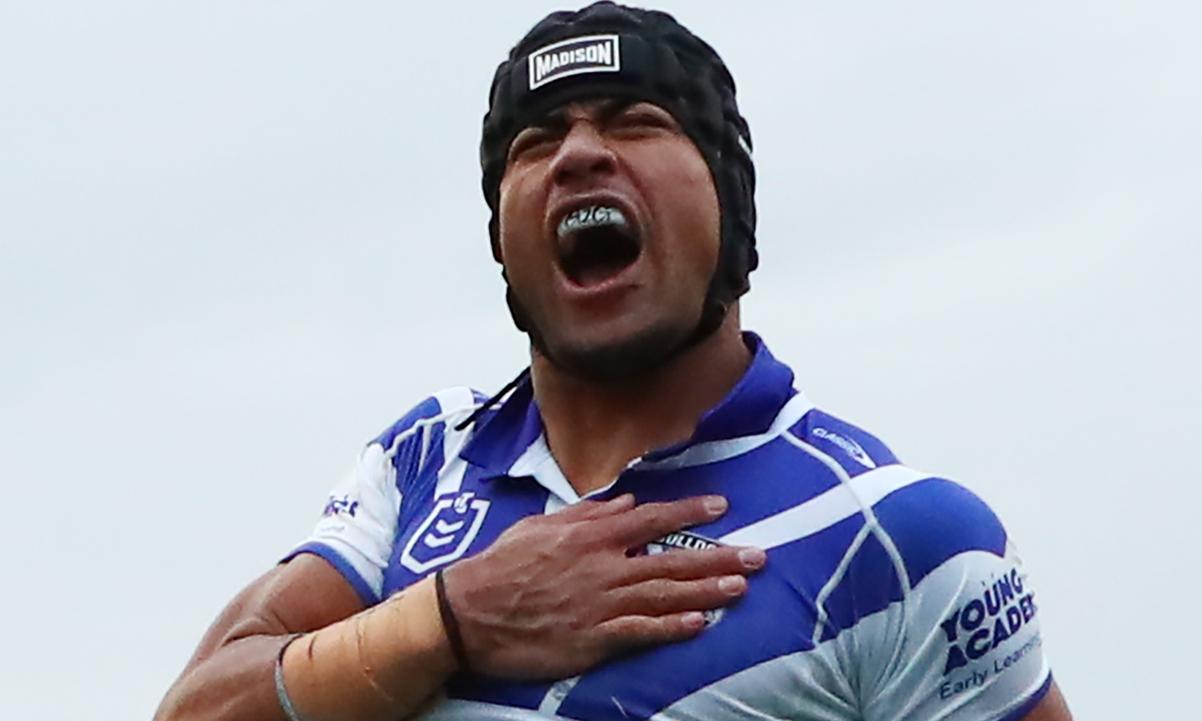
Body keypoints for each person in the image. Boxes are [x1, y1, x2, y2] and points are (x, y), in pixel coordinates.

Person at [154, 3, 1073, 720]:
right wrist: (451, 619)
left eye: (635, 121)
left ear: (730, 205)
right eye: (536, 141)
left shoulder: (901, 535)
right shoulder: (428, 454)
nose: (579, 154)